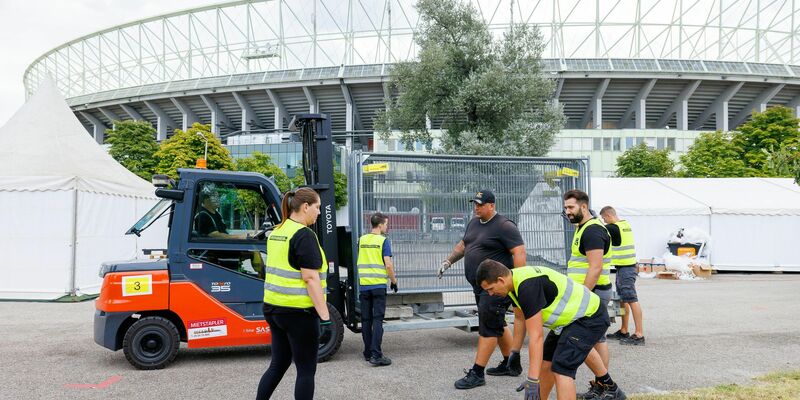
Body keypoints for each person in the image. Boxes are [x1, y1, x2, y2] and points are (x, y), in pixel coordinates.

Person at [476, 260, 625, 400]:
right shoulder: (513, 284)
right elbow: (520, 318)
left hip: (589, 317)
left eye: (490, 289)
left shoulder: (527, 287)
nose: (490, 294)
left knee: (561, 368)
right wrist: (515, 351)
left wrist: (532, 379)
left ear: (501, 280)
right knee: (546, 362)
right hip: (570, 320)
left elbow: (536, 336)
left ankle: (610, 387)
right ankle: (610, 387)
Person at [437, 190, 527, 389]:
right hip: (480, 286)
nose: (476, 207)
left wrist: (519, 282)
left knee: (488, 328)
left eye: (480, 204)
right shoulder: (474, 223)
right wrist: (448, 261)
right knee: (496, 322)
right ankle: (511, 364)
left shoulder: (504, 226)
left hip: (497, 287)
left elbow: (519, 252)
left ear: (491, 205)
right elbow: (463, 245)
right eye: (475, 204)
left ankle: (477, 373)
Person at [256, 188, 330, 400]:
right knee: (306, 371)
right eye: (317, 207)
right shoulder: (304, 235)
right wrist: (325, 317)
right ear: (305, 207)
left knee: (278, 365)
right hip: (298, 313)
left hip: (273, 308)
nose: (319, 212)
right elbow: (310, 278)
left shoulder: (278, 231)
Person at [563, 190, 625, 399]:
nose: (567, 211)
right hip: (592, 292)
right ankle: (601, 386)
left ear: (583, 206)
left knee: (583, 339)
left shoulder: (592, 231)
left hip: (592, 293)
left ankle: (605, 386)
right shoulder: (583, 228)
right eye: (565, 208)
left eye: (571, 207)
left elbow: (595, 267)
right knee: (597, 339)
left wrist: (582, 296)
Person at [357, 212, 398, 367]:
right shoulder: (383, 241)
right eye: (386, 224)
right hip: (378, 286)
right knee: (377, 320)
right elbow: (388, 265)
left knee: (366, 320)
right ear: (380, 225)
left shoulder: (362, 240)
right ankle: (376, 355)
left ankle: (367, 353)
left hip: (364, 286)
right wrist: (393, 281)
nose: (387, 227)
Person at [600, 206, 645, 346]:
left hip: (626, 269)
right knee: (623, 299)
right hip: (625, 267)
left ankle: (639, 334)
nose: (604, 221)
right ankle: (624, 330)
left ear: (608, 216)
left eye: (604, 218)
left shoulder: (613, 228)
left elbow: (597, 229)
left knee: (631, 299)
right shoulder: (624, 225)